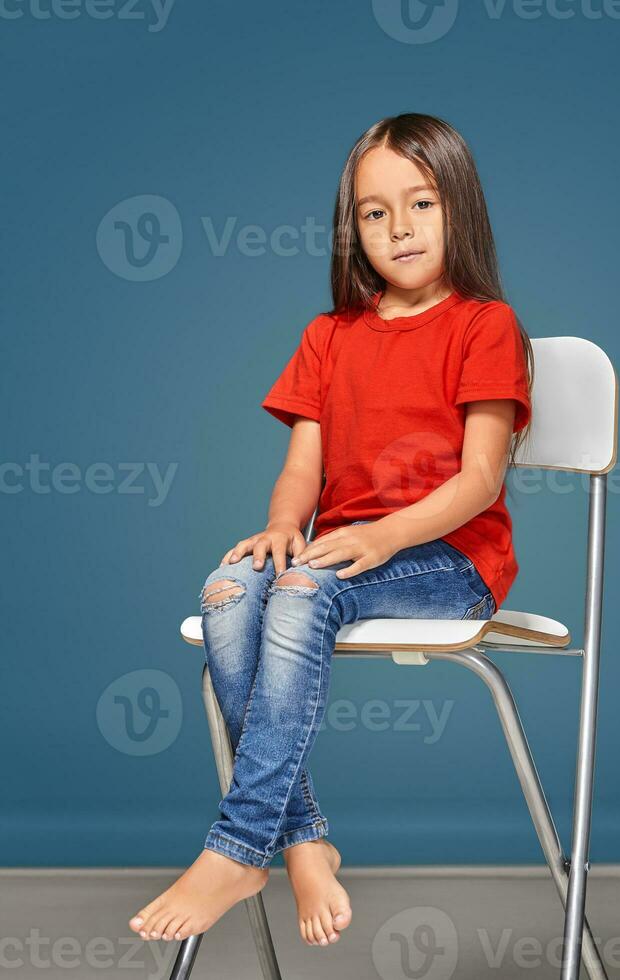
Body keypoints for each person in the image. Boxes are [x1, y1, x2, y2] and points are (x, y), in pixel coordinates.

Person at [129, 112, 533, 948]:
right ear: (352, 227)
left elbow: (481, 478)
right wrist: (282, 526)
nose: (399, 228)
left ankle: (241, 847)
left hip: (448, 559)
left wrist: (384, 537)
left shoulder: (484, 325)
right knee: (232, 591)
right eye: (374, 212)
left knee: (304, 590)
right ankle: (305, 840)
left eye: (420, 203)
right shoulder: (329, 336)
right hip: (340, 554)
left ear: (459, 206)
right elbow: (304, 473)